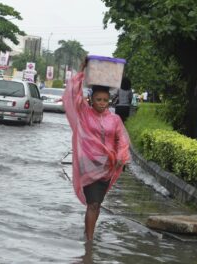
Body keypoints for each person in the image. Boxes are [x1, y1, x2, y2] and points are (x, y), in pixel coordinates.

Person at [62, 62, 130, 241]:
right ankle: (90, 242)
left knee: (97, 204)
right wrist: (82, 69)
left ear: (109, 101)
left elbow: (121, 139)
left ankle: (87, 234)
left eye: (105, 100)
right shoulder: (84, 113)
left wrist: (121, 156)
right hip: (89, 165)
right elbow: (73, 94)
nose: (102, 103)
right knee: (93, 203)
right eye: (98, 99)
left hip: (107, 167)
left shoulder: (114, 119)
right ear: (91, 100)